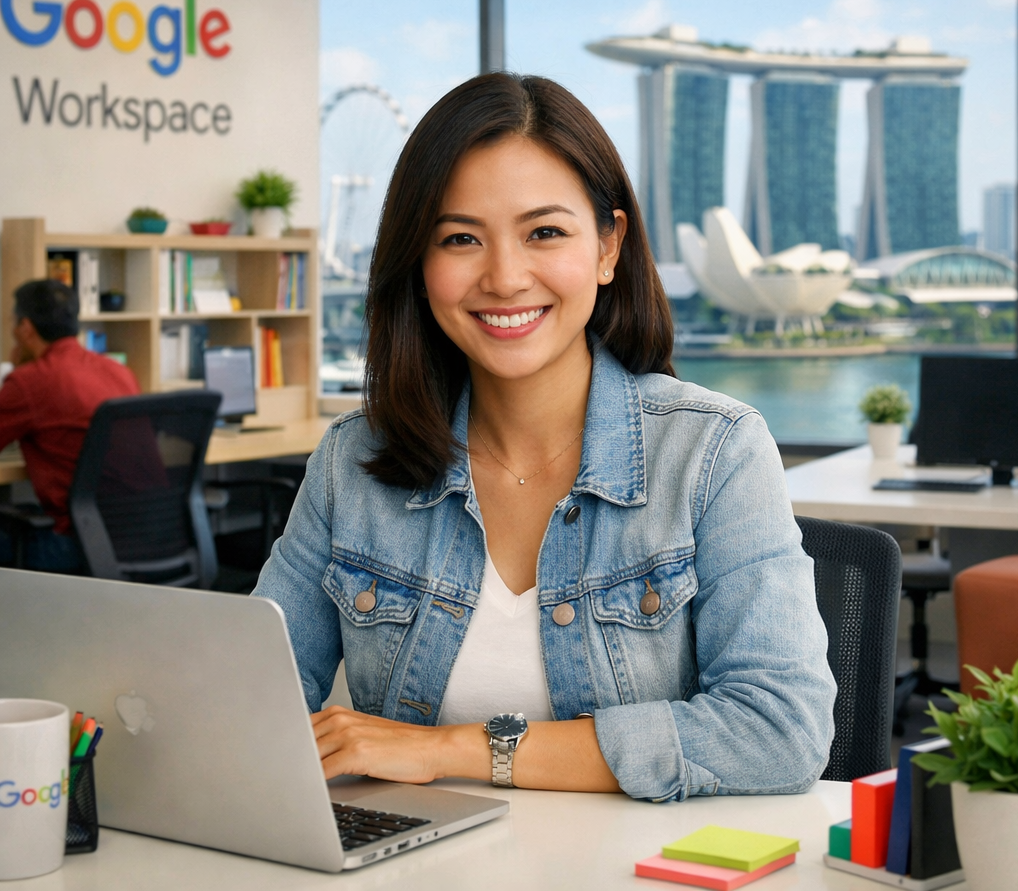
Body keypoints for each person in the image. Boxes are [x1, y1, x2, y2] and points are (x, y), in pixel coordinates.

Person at [255, 73, 836, 802]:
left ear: (607, 246)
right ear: (419, 261)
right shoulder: (353, 461)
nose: (503, 277)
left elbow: (780, 732)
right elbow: (258, 699)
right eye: (460, 238)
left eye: (545, 233)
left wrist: (452, 751)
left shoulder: (715, 452)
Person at [0, 278, 140, 572]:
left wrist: (17, 372)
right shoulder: (118, 371)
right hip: (137, 536)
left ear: (25, 328)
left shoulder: (30, 381)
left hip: (74, 545)